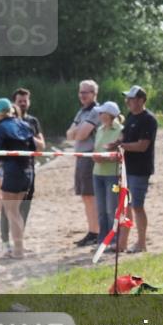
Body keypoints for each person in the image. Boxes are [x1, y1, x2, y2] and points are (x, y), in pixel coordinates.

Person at [112, 85, 158, 253]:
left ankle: (141, 243)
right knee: (126, 206)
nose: (127, 101)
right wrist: (117, 143)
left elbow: (142, 146)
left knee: (137, 206)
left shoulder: (149, 119)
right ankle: (122, 243)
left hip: (140, 169)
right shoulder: (131, 116)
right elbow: (123, 136)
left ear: (141, 100)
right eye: (127, 98)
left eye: (131, 99)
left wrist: (120, 145)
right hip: (126, 167)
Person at [0, 98, 35, 258]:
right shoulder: (24, 124)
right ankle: (19, 247)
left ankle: (18, 250)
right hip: (28, 171)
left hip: (13, 171)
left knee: (12, 211)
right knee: (15, 211)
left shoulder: (0, 127)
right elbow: (34, 148)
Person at [2, 88, 45, 252]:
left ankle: (19, 243)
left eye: (25, 100)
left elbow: (41, 147)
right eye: (20, 100)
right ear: (14, 102)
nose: (23, 103)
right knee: (8, 209)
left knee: (24, 207)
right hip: (11, 168)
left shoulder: (32, 122)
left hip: (29, 168)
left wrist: (27, 135)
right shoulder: (6, 122)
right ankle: (7, 244)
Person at [66, 80, 100, 246]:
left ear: (94, 94)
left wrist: (76, 131)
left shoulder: (95, 111)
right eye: (81, 92)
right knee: (85, 196)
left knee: (90, 195)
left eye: (86, 92)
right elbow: (69, 134)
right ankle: (92, 230)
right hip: (81, 156)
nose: (83, 95)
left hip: (89, 156)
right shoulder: (82, 112)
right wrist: (76, 131)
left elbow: (81, 134)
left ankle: (96, 231)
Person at [91, 101, 123, 249]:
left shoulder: (120, 130)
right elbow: (96, 149)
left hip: (112, 174)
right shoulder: (99, 129)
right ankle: (102, 241)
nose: (99, 115)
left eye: (101, 112)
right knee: (101, 210)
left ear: (109, 115)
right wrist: (95, 156)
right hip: (97, 173)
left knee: (112, 209)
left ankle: (115, 240)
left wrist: (104, 158)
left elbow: (121, 154)